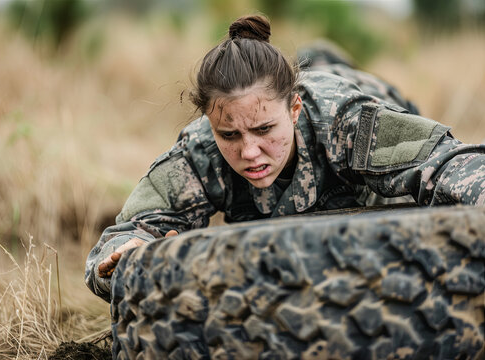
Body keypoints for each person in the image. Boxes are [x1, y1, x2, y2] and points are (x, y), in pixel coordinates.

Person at [85, 15, 485, 302]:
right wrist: (129, 257)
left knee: (332, 68)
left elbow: (449, 162)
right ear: (211, 122)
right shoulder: (199, 152)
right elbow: (116, 245)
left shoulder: (347, 120)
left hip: (363, 88)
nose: (249, 152)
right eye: (230, 135)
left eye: (264, 130)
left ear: (294, 110)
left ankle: (326, 57)